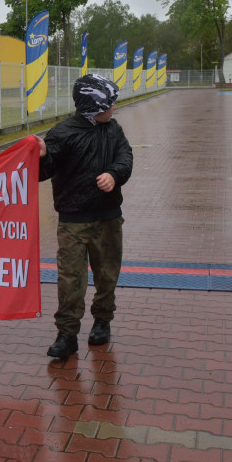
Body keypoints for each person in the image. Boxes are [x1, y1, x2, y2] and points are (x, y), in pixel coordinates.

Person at [36, 74, 133, 359]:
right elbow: (44, 172)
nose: (113, 109)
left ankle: (103, 321)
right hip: (72, 222)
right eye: (109, 104)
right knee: (70, 279)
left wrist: (114, 175)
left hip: (108, 218)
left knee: (106, 275)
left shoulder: (114, 131)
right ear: (92, 106)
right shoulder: (62, 133)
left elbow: (125, 158)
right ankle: (66, 335)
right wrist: (42, 155)